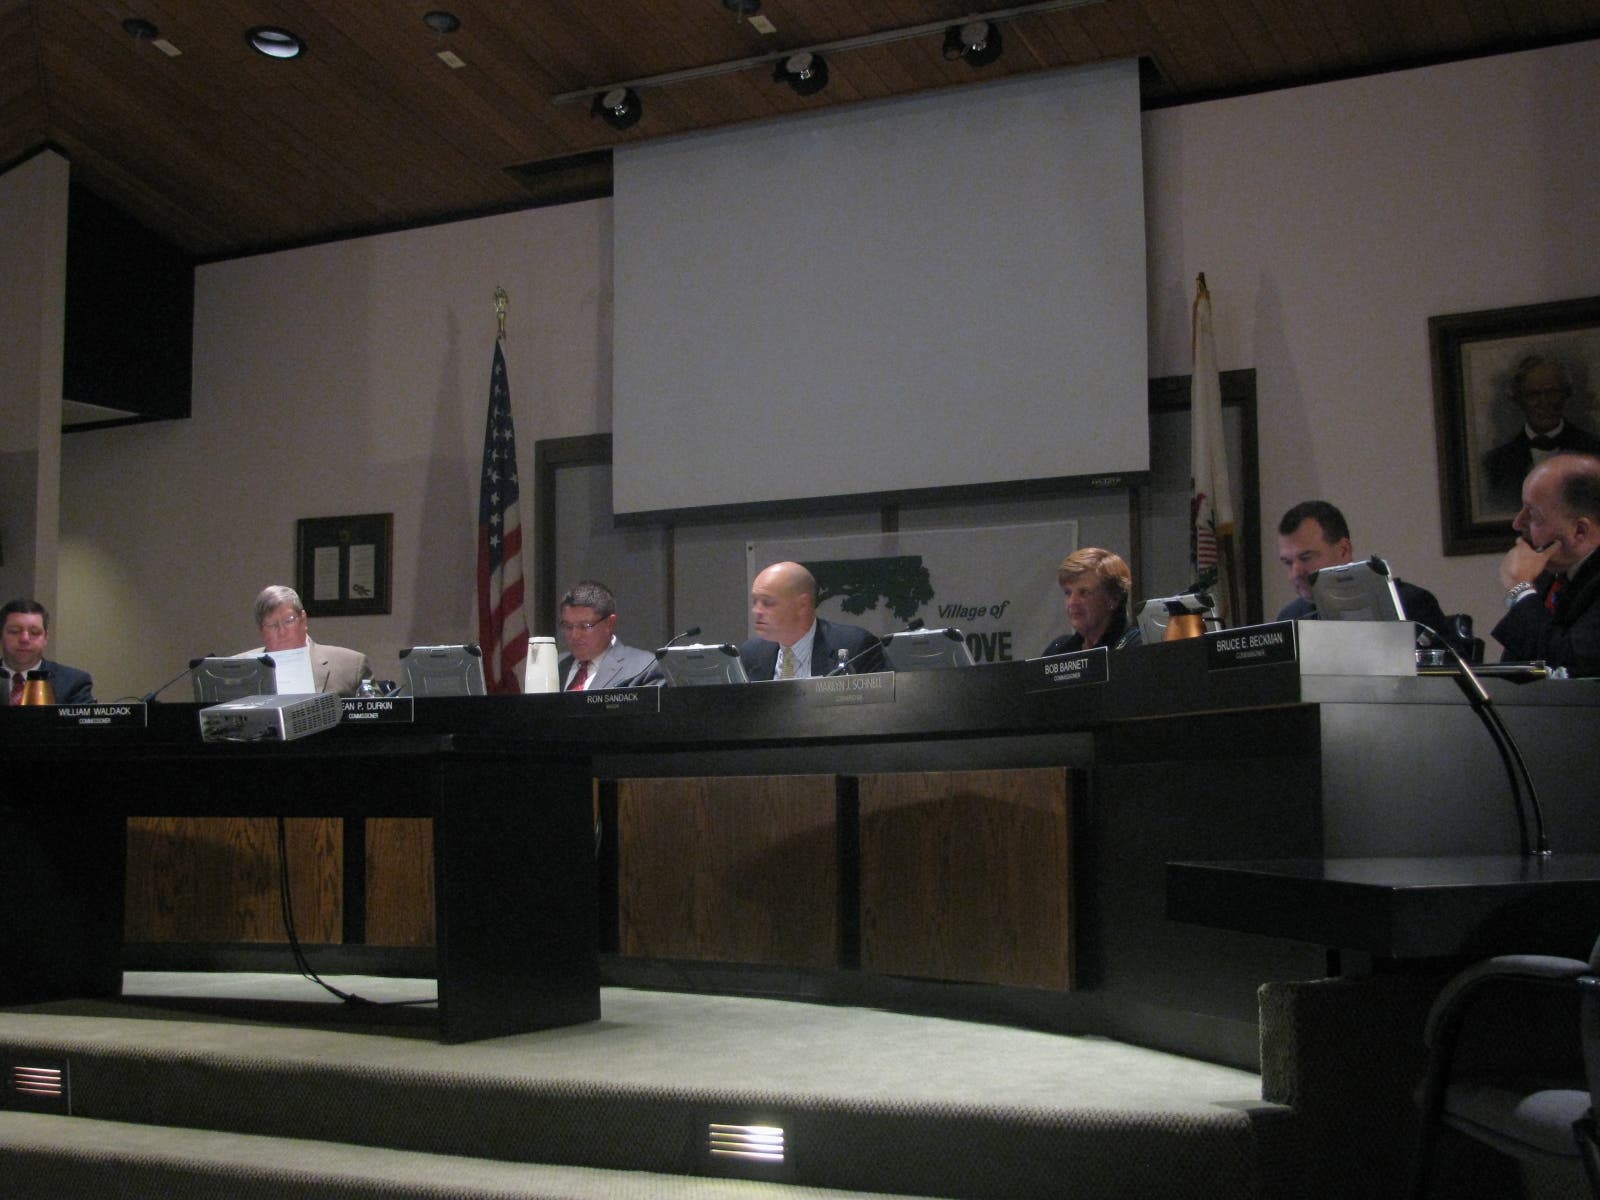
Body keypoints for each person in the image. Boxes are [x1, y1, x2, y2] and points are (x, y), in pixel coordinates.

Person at [1274, 501, 1453, 639]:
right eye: (1288, 563)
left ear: (1344, 550)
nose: (1295, 573)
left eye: (1306, 558)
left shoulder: (1412, 604)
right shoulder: (1289, 618)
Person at [1492, 452, 1600, 677]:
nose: (1517, 523)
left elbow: (1568, 670)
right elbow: (1515, 674)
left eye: (1533, 515)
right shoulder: (1548, 578)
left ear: (1579, 531)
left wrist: (1520, 590)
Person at [1482, 355, 1600, 513]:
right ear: (1519, 400)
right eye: (1533, 394)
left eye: (1552, 392)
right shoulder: (1495, 462)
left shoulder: (1594, 450)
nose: (1544, 402)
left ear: (1566, 394)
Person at [739, 560, 884, 680]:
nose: (756, 611)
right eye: (755, 601)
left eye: (767, 602)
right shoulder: (750, 654)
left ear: (802, 605)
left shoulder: (856, 647)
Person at [240, 584, 371, 696]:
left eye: (289, 621)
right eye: (272, 625)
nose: (282, 632)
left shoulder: (351, 666)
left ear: (303, 619)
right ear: (261, 631)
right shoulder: (237, 669)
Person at [555, 579, 662, 690]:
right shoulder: (553, 666)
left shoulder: (644, 667)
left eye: (585, 626)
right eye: (568, 626)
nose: (575, 635)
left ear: (609, 624)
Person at [1040, 548, 1141, 655]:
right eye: (1068, 593)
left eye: (1084, 592)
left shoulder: (1138, 647)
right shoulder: (1059, 650)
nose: (1072, 602)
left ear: (1114, 598)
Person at [1, 599, 94, 704]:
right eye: (15, 631)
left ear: (45, 638)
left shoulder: (73, 682)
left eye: (34, 632)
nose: (24, 639)